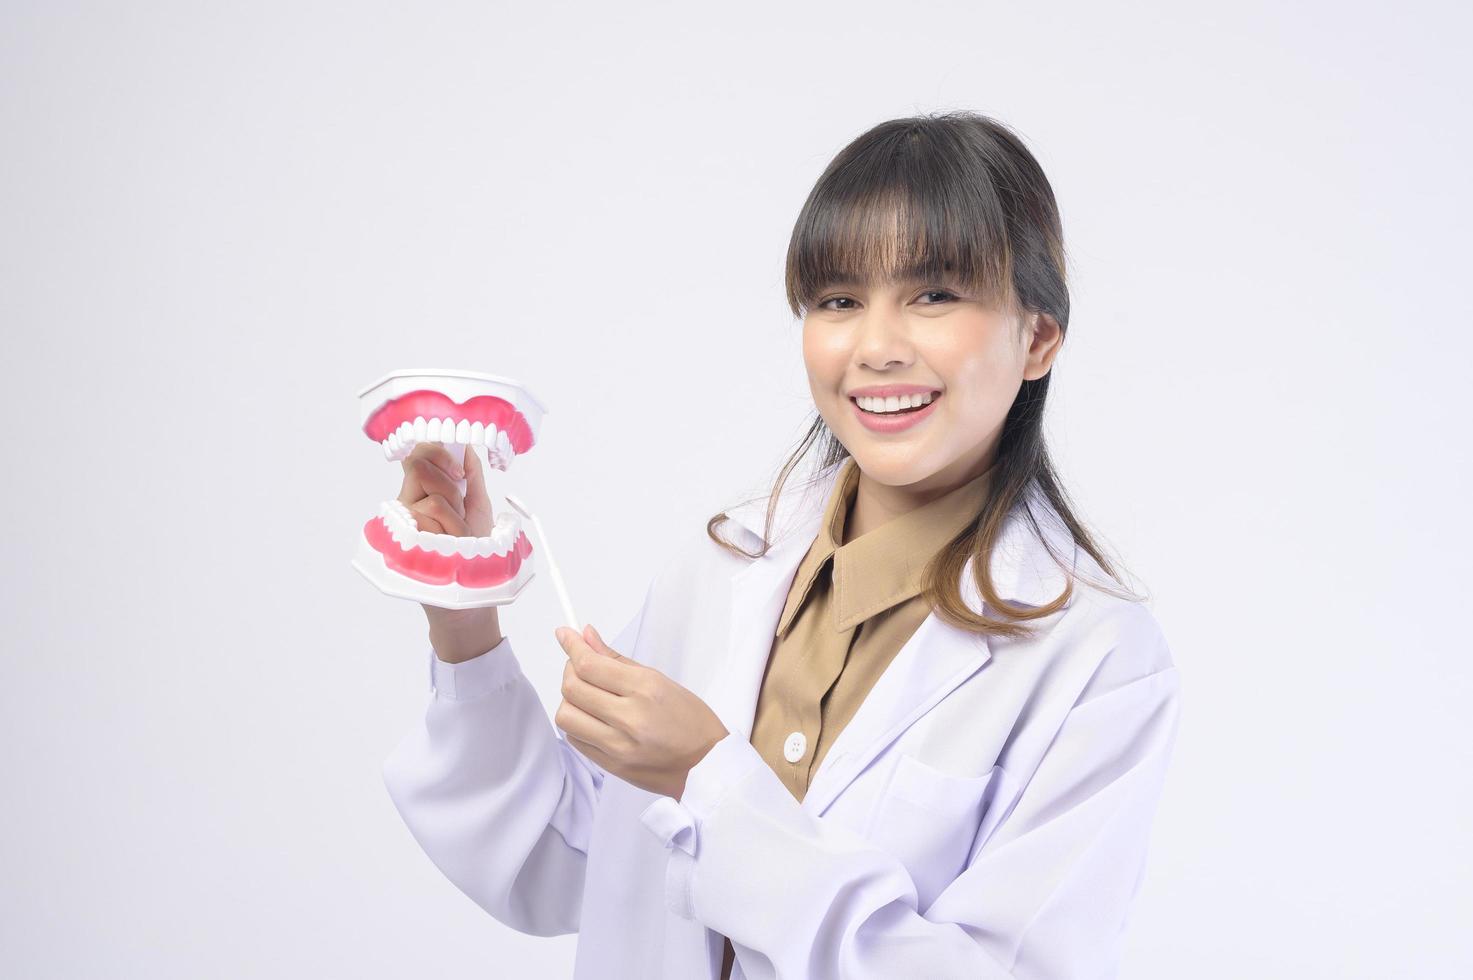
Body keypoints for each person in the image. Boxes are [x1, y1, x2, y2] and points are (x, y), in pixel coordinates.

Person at [381, 110, 1183, 979]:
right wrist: (464, 621)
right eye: (838, 300)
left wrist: (707, 781)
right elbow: (567, 864)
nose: (875, 347)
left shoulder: (1096, 657)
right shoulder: (726, 565)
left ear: (1037, 337)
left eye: (934, 294)